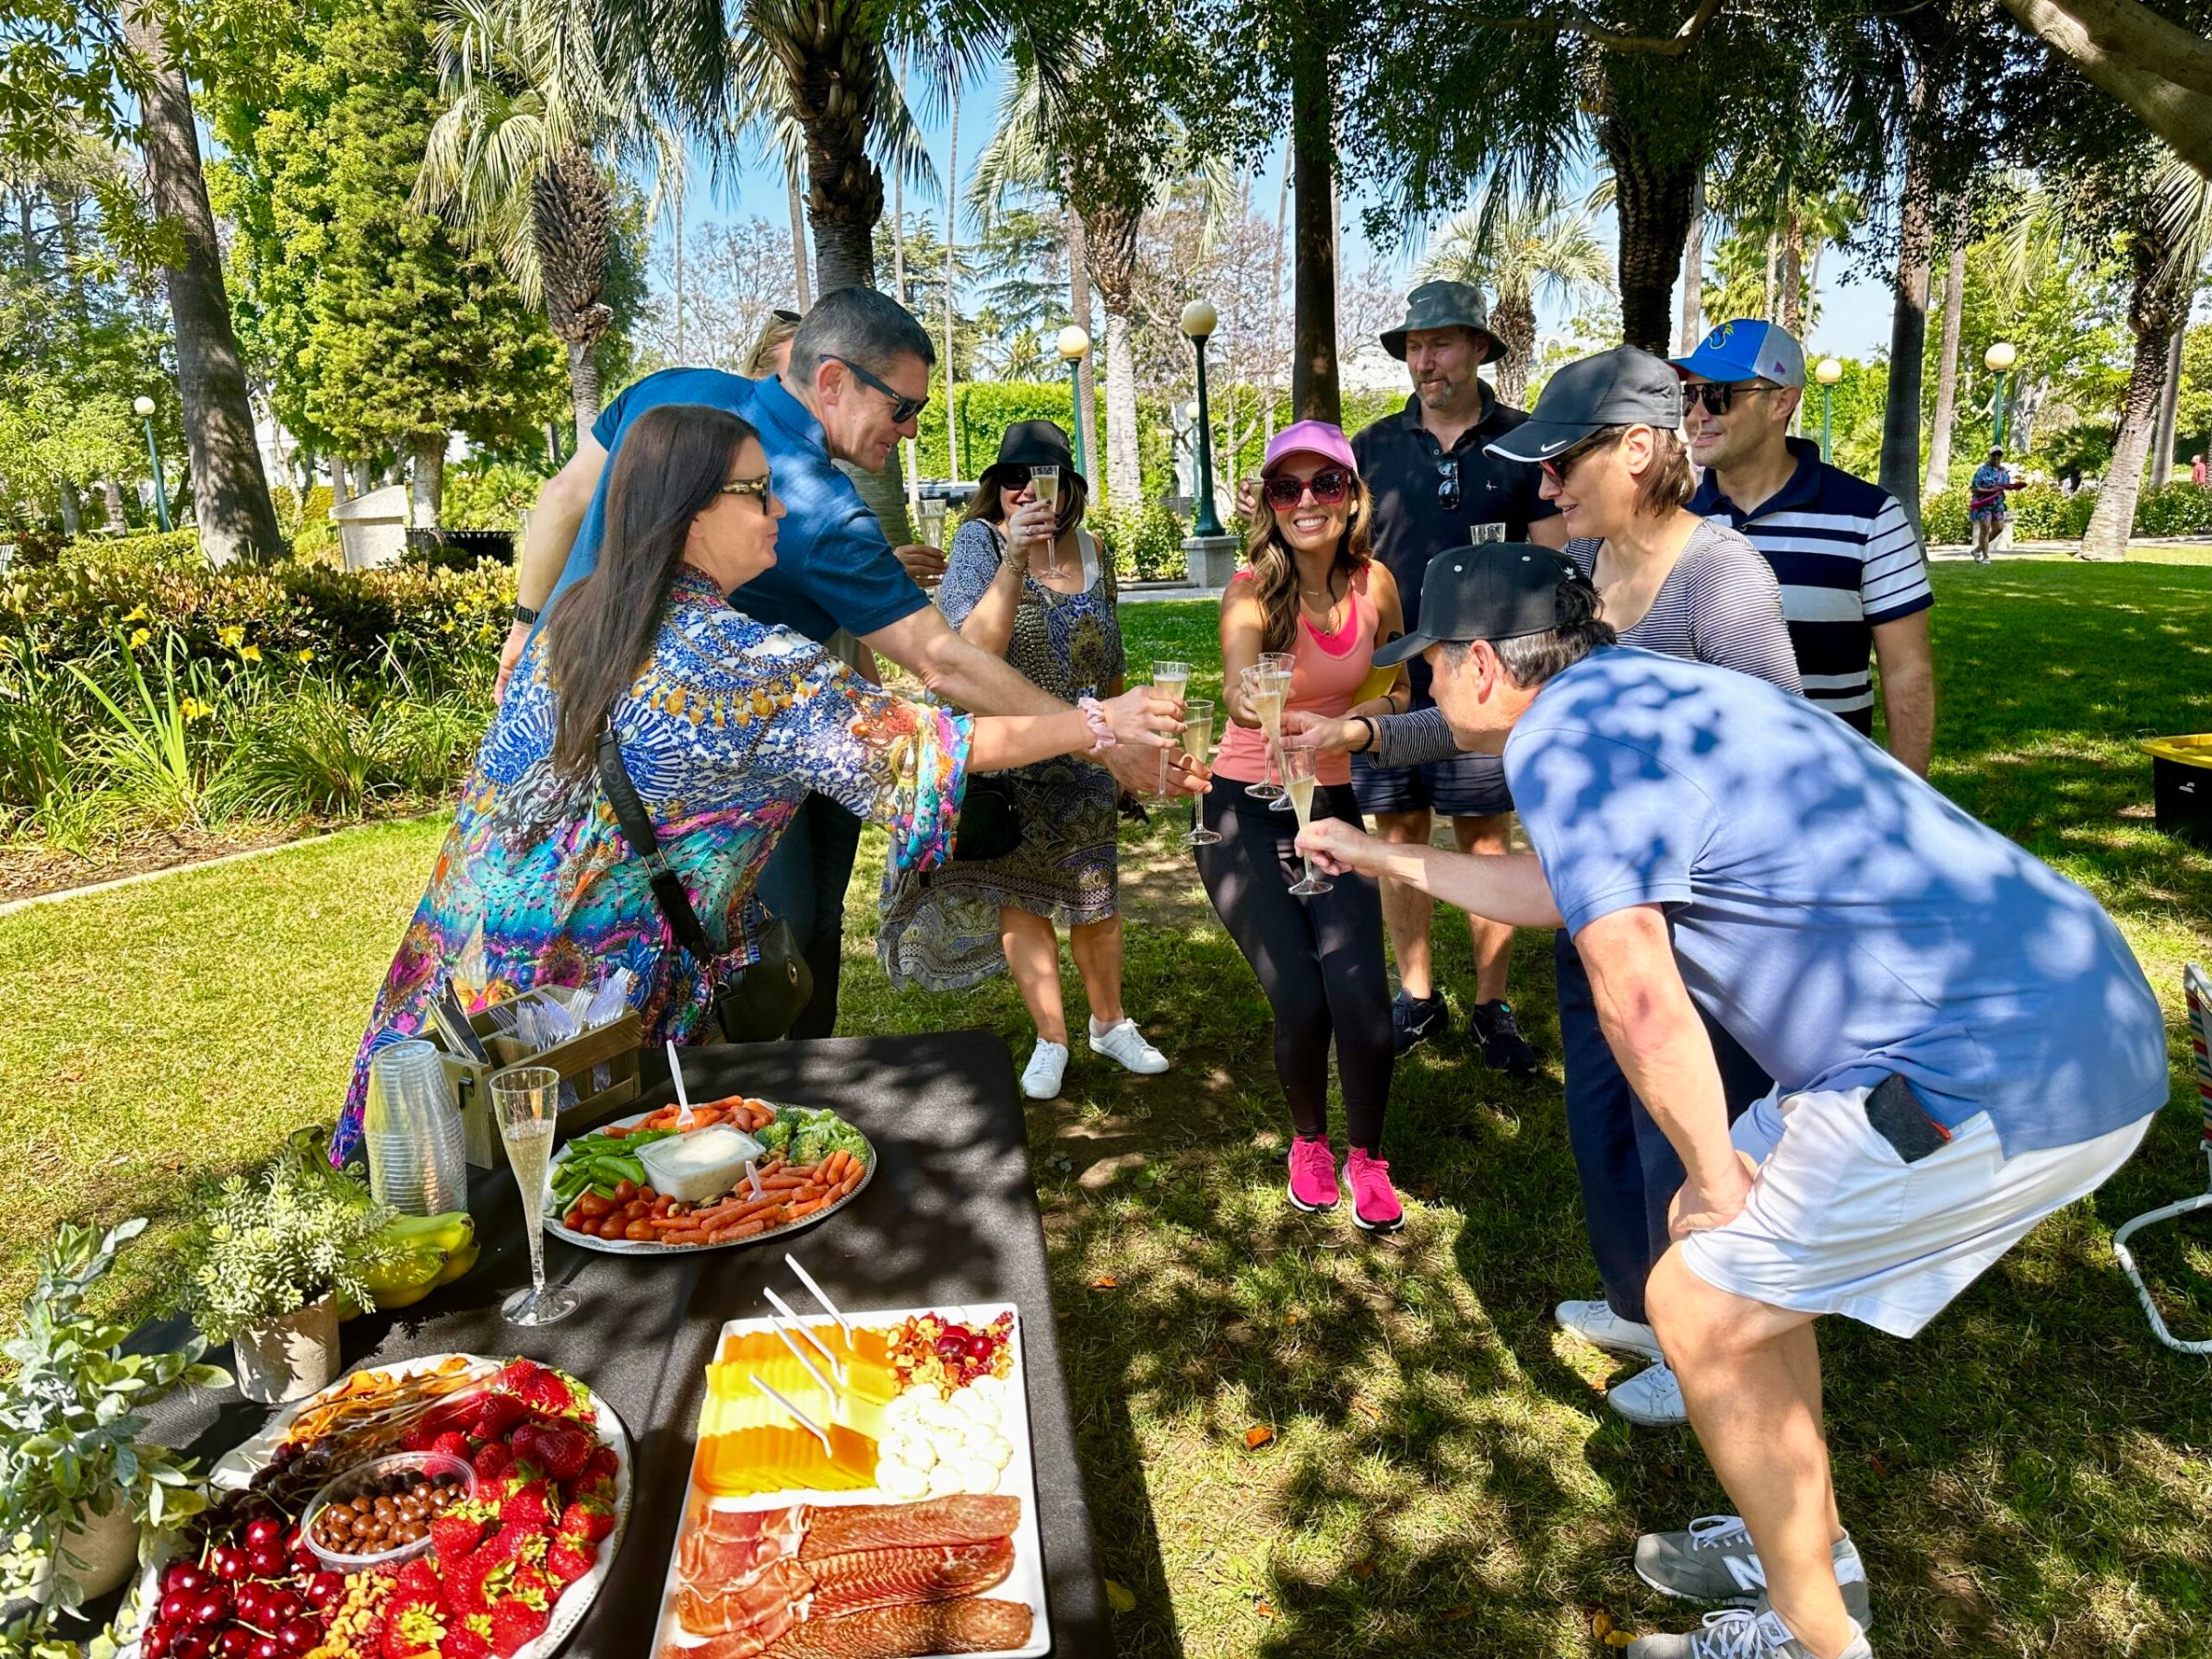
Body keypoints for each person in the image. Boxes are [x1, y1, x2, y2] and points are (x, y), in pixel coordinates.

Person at [1296, 547, 2166, 1659]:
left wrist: (1716, 1175)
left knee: (1701, 1306)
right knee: (1737, 1289)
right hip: (2070, 1006)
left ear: (1478, 664)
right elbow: (1572, 891)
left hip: (1986, 1072)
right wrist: (1383, 858)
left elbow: (1640, 990)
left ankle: (1818, 1641)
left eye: (1423, 670)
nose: (1418, 692)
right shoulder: (1650, 694)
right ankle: (1806, 1549)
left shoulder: (1563, 740)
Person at [337, 405, 1182, 1159]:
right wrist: (1100, 725)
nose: (781, 509)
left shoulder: (579, 615)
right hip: (578, 1040)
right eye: (759, 491)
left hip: (446, 1009)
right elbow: (920, 747)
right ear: (693, 509)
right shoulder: (743, 661)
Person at [1294, 347, 1798, 1426]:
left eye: (1563, 463)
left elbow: (1773, 754)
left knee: (1683, 1131)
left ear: (1641, 448)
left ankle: (1700, 1333)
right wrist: (1373, 726)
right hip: (1590, 890)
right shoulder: (1582, 562)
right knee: (1603, 1113)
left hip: (1692, 928)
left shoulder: (1723, 575)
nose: (1547, 486)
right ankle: (1636, 1296)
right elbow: (1492, 696)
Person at [498, 289, 1183, 1040]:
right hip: (655, 865)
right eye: (901, 408)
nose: (913, 429)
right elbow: (941, 680)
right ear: (832, 381)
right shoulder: (805, 550)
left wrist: (525, 629)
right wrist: (1100, 731)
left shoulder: (670, 402)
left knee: (523, 1027)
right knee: (672, 1004)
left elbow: (563, 497)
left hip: (531, 805)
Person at [879, 421, 1169, 1099]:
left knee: (1097, 900)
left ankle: (1110, 1023)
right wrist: (1013, 559)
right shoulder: (979, 542)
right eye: (1010, 478)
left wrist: (1125, 746)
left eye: (1039, 476)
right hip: (1012, 753)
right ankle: (1051, 1038)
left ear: (1068, 485)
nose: (1023, 490)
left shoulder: (1095, 549)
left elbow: (1113, 656)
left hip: (1090, 753)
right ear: (995, 488)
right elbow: (967, 653)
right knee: (1023, 900)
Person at [1352, 280, 1568, 1071]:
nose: (1425, 360)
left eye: (1440, 343)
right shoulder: (1369, 450)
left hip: (1489, 682)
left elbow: (1554, 563)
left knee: (1484, 840)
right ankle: (1415, 996)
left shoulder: (1524, 443)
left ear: (1480, 347)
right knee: (1399, 832)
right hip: (1395, 676)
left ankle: (1491, 1003)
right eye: (1413, 346)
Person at [1204, 421, 1411, 1231]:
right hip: (1243, 807)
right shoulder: (1252, 588)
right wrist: (1262, 704)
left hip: (1329, 803)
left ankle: (1368, 1156)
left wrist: (1354, 727)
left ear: (1351, 494)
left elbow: (1398, 691)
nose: (1306, 502)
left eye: (1324, 483)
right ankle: (1309, 1141)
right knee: (1300, 993)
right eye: (1287, 488)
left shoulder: (1378, 585)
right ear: (1269, 503)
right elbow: (1233, 683)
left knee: (1358, 989)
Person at [1673, 320, 1937, 777]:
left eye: (1717, 395)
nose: (1698, 414)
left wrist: (1908, 801)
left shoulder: (1870, 517)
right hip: (1699, 793)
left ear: (1782, 401)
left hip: (1828, 791)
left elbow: (1907, 671)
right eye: (1689, 397)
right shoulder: (1672, 517)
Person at [1968, 447, 2023, 564]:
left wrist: (2014, 487)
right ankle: (1985, 557)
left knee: (1998, 528)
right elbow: (1974, 488)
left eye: (1999, 455)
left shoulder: (2003, 472)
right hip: (1983, 504)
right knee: (1986, 528)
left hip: (1997, 505)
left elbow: (2005, 486)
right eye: (1994, 455)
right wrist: (1992, 491)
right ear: (1990, 456)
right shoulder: (1982, 471)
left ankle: (1977, 550)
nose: (1997, 457)